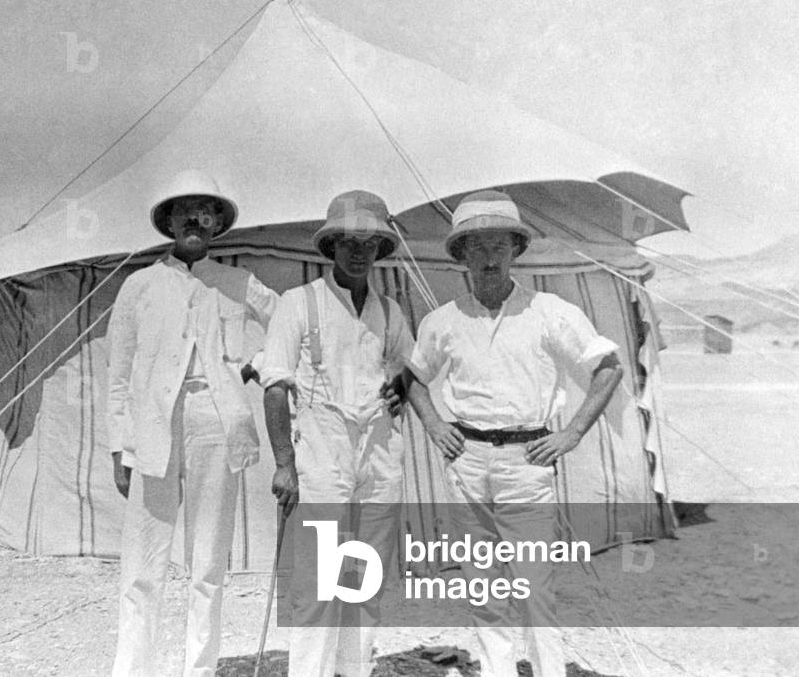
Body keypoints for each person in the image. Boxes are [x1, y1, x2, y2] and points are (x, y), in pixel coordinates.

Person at [404, 190, 624, 677]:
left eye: (498, 246)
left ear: (515, 251)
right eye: (476, 248)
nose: (488, 259)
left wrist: (572, 434)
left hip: (527, 463)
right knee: (482, 584)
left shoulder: (549, 311)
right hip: (468, 463)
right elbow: (413, 379)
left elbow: (607, 367)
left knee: (534, 586)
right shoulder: (443, 320)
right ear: (460, 255)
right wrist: (436, 425)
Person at [105, 169, 279, 677]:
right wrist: (120, 447)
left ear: (218, 222)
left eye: (206, 210)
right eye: (185, 211)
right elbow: (118, 374)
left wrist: (255, 364)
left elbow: (292, 324)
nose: (195, 219)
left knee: (206, 566)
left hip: (214, 425)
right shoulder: (139, 287)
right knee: (142, 567)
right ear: (170, 222)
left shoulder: (236, 282)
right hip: (154, 430)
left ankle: (198, 671)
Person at [260, 190, 414, 677]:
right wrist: (285, 463)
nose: (357, 250)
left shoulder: (389, 311)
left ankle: (355, 671)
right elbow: (273, 385)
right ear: (330, 247)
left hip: (379, 455)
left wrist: (403, 387)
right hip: (322, 456)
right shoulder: (298, 303)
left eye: (367, 241)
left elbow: (417, 370)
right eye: (346, 240)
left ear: (379, 249)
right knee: (319, 581)